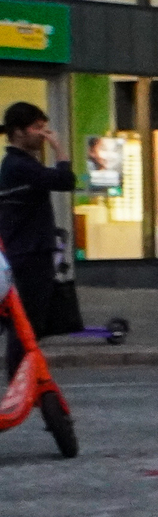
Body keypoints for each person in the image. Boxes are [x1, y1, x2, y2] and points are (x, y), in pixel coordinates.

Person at [0, 101, 75, 382]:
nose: (44, 134)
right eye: (37, 128)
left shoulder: (18, 164)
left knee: (25, 321)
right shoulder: (19, 166)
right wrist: (59, 149)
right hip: (29, 254)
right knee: (26, 323)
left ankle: (21, 376)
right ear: (18, 132)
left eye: (45, 128)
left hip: (26, 250)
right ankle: (20, 380)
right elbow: (65, 180)